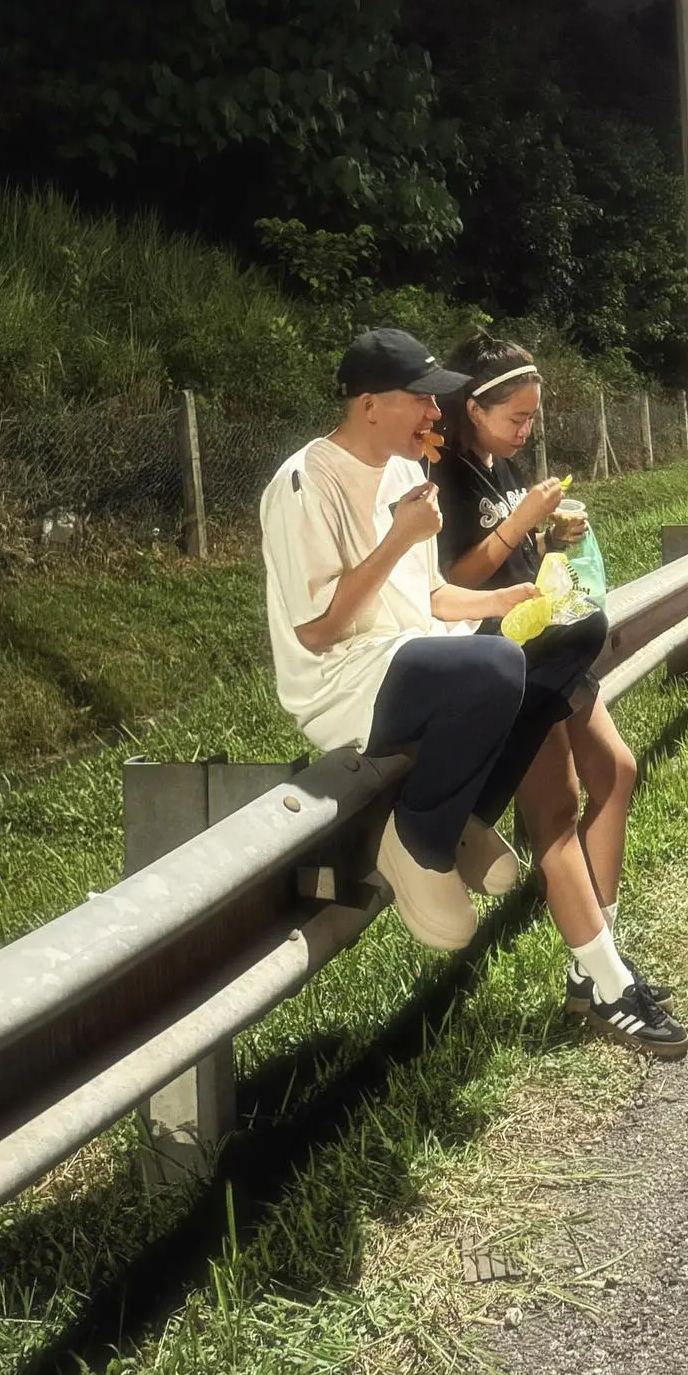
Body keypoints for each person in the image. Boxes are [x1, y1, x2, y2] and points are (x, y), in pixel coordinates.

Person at [260, 327, 605, 955]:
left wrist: (507, 602)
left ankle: (466, 811)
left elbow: (430, 598)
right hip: (344, 680)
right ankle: (419, 837)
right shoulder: (305, 481)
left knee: (564, 635)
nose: (432, 411)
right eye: (419, 398)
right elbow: (318, 630)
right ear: (369, 405)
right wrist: (399, 537)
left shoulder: (400, 473)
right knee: (498, 664)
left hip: (409, 651)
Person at [430, 331, 687, 1060]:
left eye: (533, 417)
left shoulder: (498, 462)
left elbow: (516, 556)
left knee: (617, 770)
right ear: (470, 407)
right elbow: (457, 579)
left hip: (552, 636)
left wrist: (551, 535)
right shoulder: (443, 474)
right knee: (556, 808)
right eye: (514, 416)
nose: (526, 429)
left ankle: (594, 953)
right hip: (509, 659)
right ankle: (604, 981)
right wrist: (521, 520)